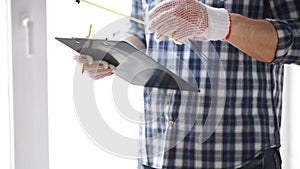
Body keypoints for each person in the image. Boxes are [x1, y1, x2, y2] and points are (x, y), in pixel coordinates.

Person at [74, 0, 300, 168]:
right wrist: (114, 54)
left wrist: (220, 23)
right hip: (155, 156)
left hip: (240, 159)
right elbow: (142, 31)